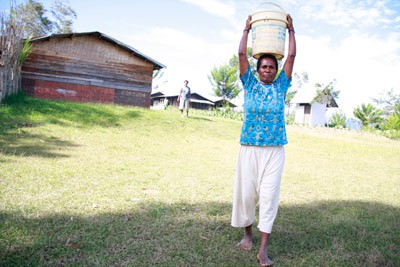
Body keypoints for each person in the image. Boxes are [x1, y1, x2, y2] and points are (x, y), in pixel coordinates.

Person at [231, 14, 296, 267]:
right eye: (263, 67)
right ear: (257, 71)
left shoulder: (281, 87)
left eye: (271, 67)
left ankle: (263, 250)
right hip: (249, 149)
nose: (267, 70)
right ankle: (247, 236)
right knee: (247, 196)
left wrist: (291, 32)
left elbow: (290, 57)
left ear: (275, 71)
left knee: (269, 198)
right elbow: (241, 56)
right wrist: (245, 30)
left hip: (274, 151)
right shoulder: (249, 84)